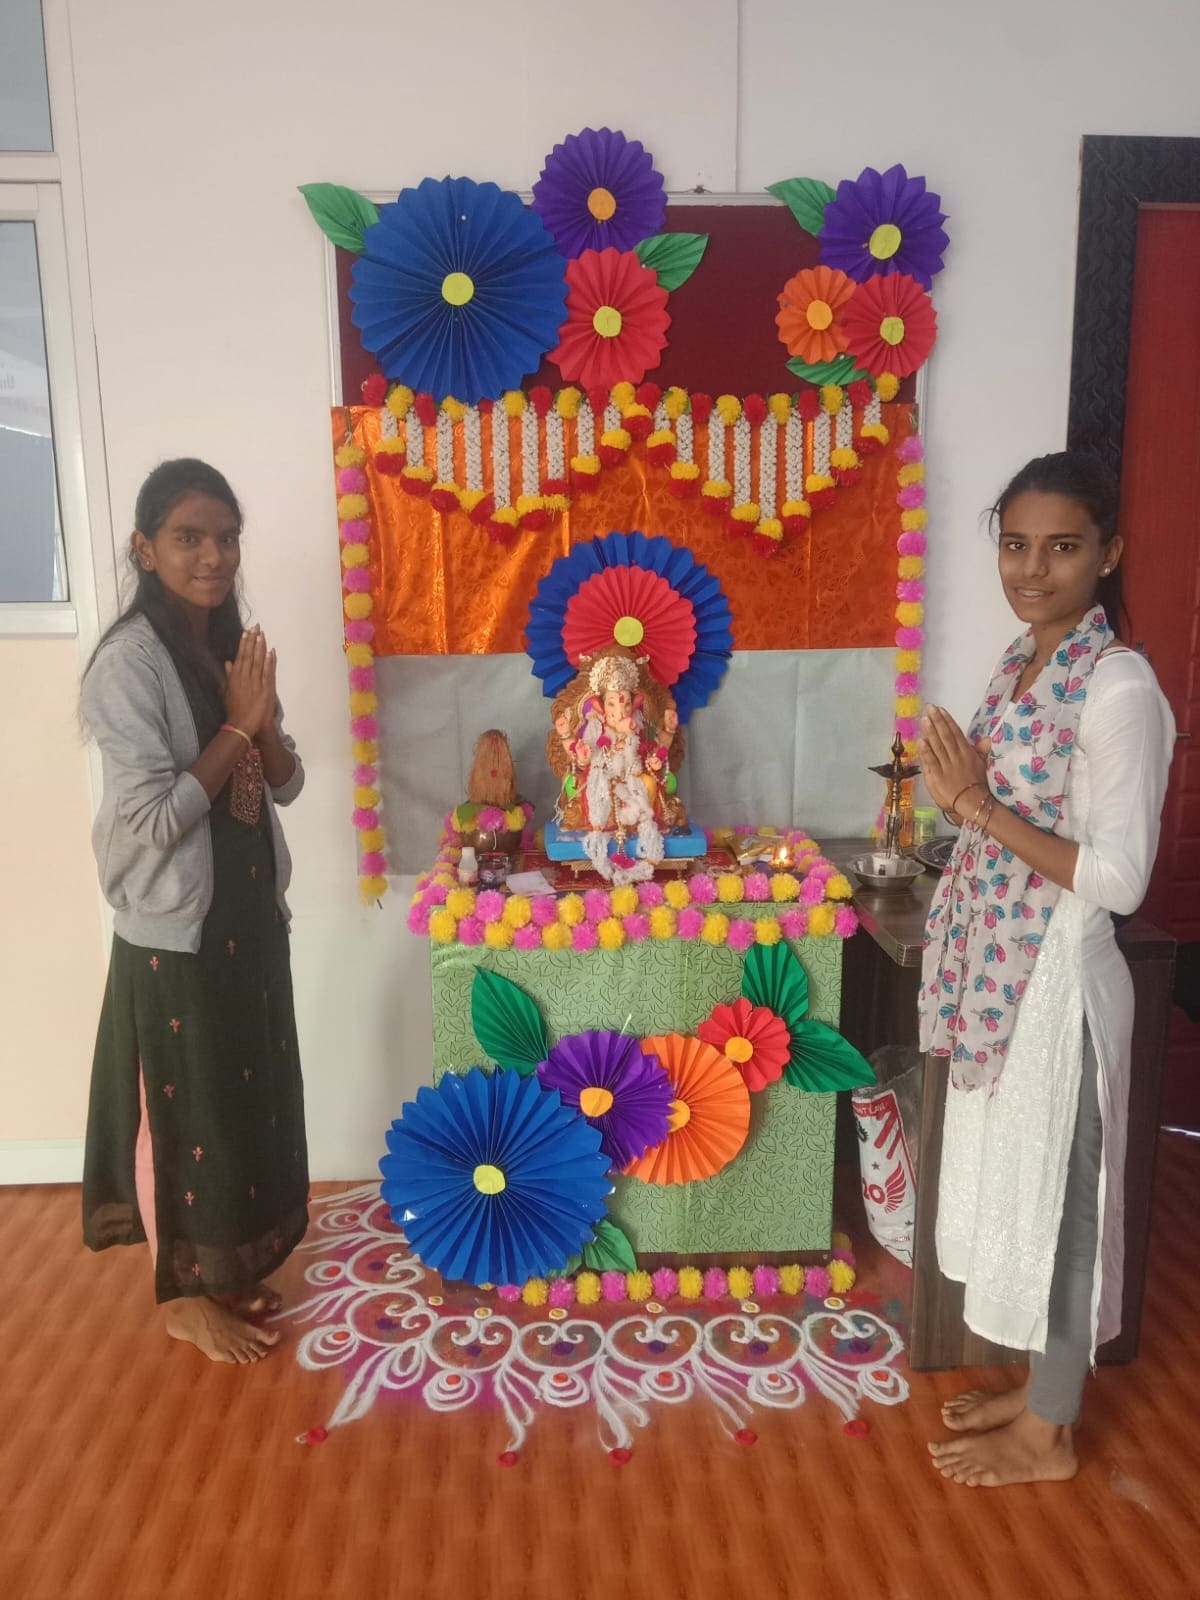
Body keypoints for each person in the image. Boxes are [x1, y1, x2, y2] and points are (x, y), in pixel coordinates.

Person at [916, 452, 1174, 1486]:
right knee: (1020, 1190)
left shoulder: (1120, 687)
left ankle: (1052, 1433)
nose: (1032, 569)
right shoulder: (1023, 660)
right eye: (1016, 545)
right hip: (1002, 973)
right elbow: (1007, 808)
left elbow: (1118, 876)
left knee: (1066, 1205)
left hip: (1060, 982)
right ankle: (1038, 1387)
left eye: (1062, 547)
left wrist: (975, 806)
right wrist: (959, 799)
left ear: (1107, 553)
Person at [80, 459, 309, 1364]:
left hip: (248, 911)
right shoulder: (127, 664)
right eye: (188, 538)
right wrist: (236, 726)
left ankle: (224, 1271)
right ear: (146, 548)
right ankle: (182, 1301)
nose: (213, 556)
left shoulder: (232, 645)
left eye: (226, 537)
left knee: (238, 1104)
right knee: (183, 1119)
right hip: (176, 927)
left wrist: (264, 722)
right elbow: (152, 821)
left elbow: (285, 783)